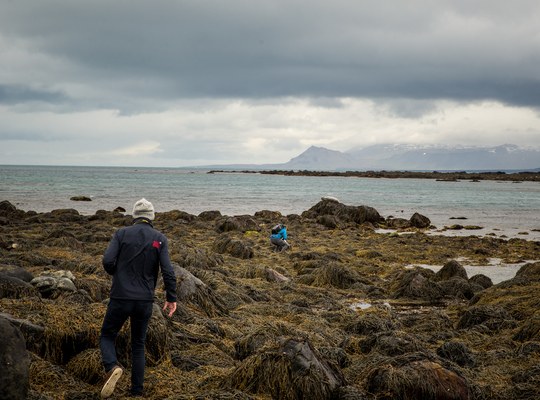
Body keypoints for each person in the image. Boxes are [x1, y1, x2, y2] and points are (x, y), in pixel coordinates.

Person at [99, 198, 177, 398]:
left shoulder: (121, 234)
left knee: (107, 335)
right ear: (151, 217)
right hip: (144, 301)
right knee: (138, 344)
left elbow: (108, 260)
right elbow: (168, 270)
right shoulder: (159, 238)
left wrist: (117, 273)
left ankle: (111, 366)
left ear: (134, 216)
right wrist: (171, 297)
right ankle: (136, 391)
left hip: (120, 297)